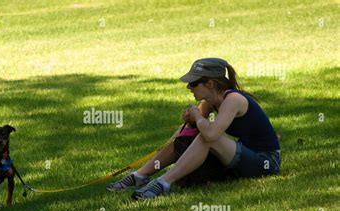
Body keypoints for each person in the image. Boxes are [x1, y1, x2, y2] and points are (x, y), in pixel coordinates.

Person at [106, 58, 281, 200]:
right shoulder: (211, 102)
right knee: (193, 135)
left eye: (194, 83)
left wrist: (197, 117)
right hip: (243, 156)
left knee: (208, 137)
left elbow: (211, 134)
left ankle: (163, 183)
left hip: (265, 162)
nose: (188, 87)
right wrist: (186, 127)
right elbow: (184, 134)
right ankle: (139, 175)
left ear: (210, 83)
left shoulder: (233, 100)